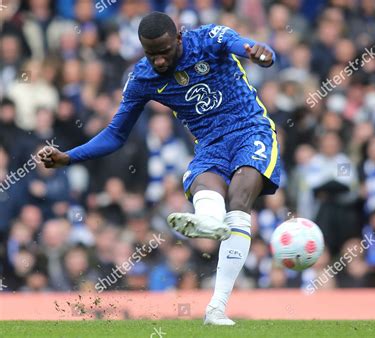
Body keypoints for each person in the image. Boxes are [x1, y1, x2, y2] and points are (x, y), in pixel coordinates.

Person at [39, 11, 280, 325]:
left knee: (239, 198)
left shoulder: (207, 39)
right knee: (201, 181)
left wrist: (260, 51)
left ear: (179, 37)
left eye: (165, 52)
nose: (160, 61)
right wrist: (68, 157)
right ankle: (208, 222)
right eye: (151, 54)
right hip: (210, 145)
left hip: (251, 130)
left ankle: (216, 306)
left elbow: (242, 44)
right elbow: (115, 134)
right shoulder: (142, 78)